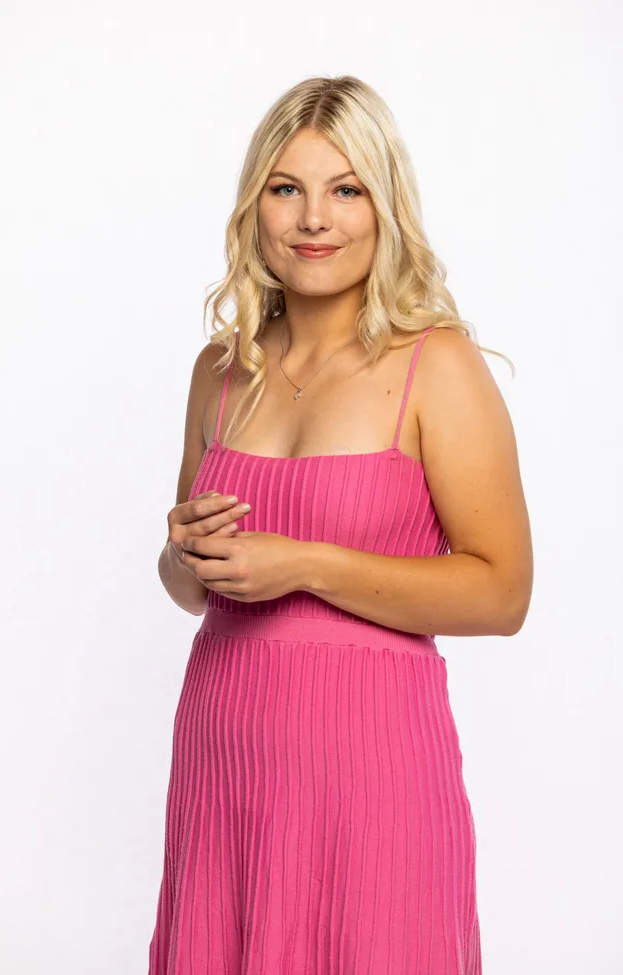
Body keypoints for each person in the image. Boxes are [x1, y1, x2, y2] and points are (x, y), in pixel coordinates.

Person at [148, 75, 533, 975]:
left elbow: (503, 592)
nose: (313, 218)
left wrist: (307, 563)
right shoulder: (221, 369)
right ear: (257, 208)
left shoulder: (436, 365)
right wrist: (181, 549)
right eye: (287, 188)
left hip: (371, 775)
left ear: (384, 204)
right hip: (226, 760)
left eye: (345, 188)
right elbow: (187, 586)